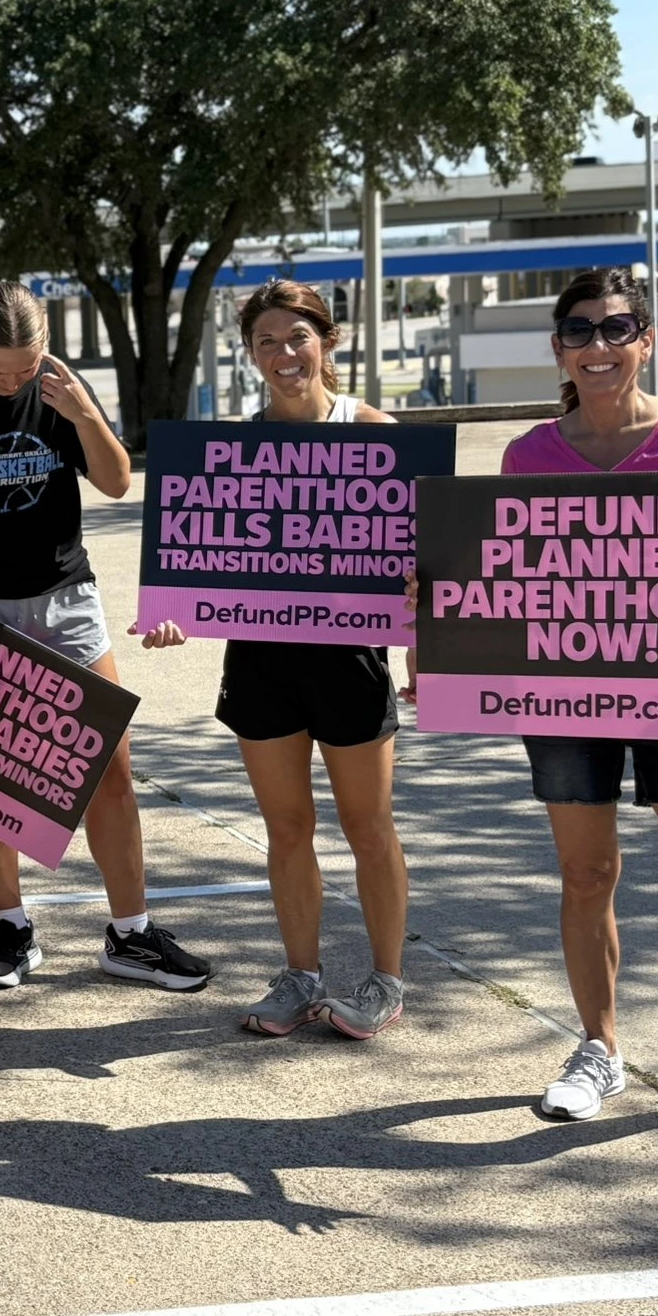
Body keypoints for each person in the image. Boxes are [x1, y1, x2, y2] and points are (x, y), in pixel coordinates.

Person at [460, 268, 658, 1131]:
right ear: (556, 347)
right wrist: (440, 616)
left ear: (647, 340)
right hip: (567, 694)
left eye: (617, 328)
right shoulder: (528, 456)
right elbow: (503, 586)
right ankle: (599, 1049)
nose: (599, 345)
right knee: (587, 874)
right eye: (580, 330)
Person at [0, 281, 212, 992]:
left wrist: (85, 413)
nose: (12, 381)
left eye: (26, 367)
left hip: (67, 600)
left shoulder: (62, 390)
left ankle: (131, 935)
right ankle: (12, 926)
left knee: (111, 769)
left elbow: (119, 482)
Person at [141, 281, 409, 1039]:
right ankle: (300, 975)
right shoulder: (228, 449)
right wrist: (174, 616)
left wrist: (425, 656)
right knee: (286, 828)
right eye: (266, 341)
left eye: (297, 338)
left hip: (351, 660)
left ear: (327, 342)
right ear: (250, 352)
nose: (284, 355)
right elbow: (196, 570)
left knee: (370, 828)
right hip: (261, 659)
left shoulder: (372, 430)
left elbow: (420, 563)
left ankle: (386, 981)